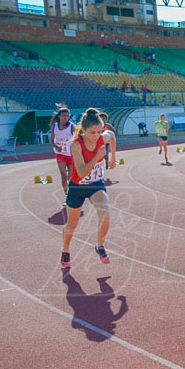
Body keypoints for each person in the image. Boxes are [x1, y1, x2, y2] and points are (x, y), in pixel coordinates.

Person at [61, 108, 113, 268]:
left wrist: (113, 158)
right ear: (83, 130)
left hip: (96, 184)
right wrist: (98, 157)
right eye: (92, 132)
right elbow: (82, 172)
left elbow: (111, 136)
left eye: (99, 132)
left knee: (105, 214)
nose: (96, 136)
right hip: (77, 186)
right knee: (72, 224)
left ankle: (100, 246)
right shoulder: (76, 145)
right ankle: (65, 250)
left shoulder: (102, 138)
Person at [50, 106, 75, 201]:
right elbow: (52, 139)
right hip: (60, 153)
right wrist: (56, 146)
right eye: (64, 115)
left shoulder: (72, 126)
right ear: (59, 116)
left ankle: (71, 188)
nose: (66, 118)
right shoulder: (54, 126)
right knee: (63, 174)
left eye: (67, 116)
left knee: (71, 175)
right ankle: (66, 193)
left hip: (71, 153)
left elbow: (78, 136)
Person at [99, 112, 117, 183]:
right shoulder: (97, 125)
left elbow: (114, 131)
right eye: (102, 119)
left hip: (105, 143)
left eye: (105, 119)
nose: (103, 121)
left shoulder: (108, 126)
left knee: (105, 155)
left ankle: (108, 162)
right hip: (98, 143)